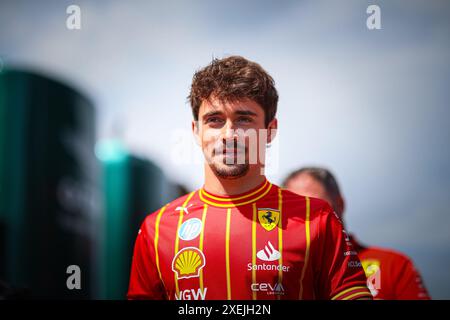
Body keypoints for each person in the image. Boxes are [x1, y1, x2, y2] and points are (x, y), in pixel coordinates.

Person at [127, 56, 371, 300]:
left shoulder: (318, 219)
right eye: (214, 120)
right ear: (196, 131)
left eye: (243, 119)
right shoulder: (156, 229)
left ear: (270, 130)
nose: (229, 134)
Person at [283, 167, 431, 300]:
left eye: (315, 208)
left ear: (340, 204)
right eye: (296, 212)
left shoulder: (393, 266)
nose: (306, 220)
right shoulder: (274, 275)